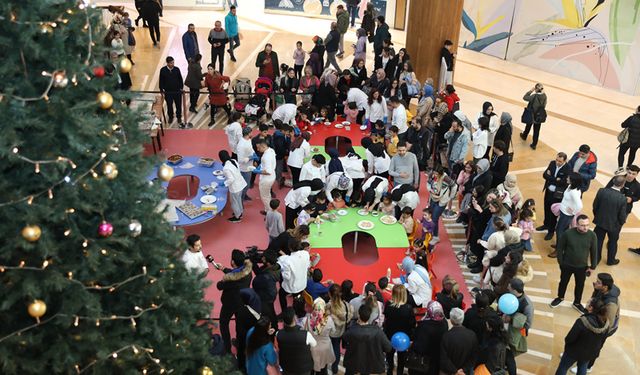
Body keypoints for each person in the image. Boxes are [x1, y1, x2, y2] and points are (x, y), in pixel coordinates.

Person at [550, 215, 598, 313]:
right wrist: (561, 262)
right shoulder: (568, 234)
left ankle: (577, 302)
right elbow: (560, 248)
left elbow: (594, 252)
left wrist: (593, 267)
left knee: (580, 285)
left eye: (587, 225)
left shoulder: (592, 235)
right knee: (563, 282)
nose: (585, 228)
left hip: (582, 267)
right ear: (576, 224)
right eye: (582, 225)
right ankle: (560, 297)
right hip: (567, 265)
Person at [554, 299, 609, 375]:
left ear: (591, 308)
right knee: (583, 367)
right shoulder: (606, 323)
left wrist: (568, 346)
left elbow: (570, 338)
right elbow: (602, 340)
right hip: (590, 353)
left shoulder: (582, 321)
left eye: (588, 302)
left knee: (563, 367)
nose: (586, 303)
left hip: (573, 352)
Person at [216, 249, 253, 353]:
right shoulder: (247, 271)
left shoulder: (231, 281)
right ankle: (240, 342)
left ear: (233, 262)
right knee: (239, 323)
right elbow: (236, 273)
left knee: (223, 323)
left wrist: (224, 279)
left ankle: (227, 348)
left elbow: (219, 286)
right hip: (242, 301)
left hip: (230, 303)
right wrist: (223, 268)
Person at [581, 273, 620, 373]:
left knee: (595, 347)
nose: (595, 283)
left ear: (605, 286)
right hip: (596, 319)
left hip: (604, 329)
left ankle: (588, 366)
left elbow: (607, 324)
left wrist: (592, 314)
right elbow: (594, 298)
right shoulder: (601, 289)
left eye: (598, 282)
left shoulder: (611, 304)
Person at [342, 304, 393, 375]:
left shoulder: (351, 330)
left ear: (359, 315)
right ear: (369, 316)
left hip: (353, 362)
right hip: (368, 363)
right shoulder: (378, 332)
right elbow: (388, 348)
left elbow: (344, 344)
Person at [592, 175, 627, 266]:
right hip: (614, 225)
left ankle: (596, 259)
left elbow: (595, 206)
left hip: (600, 221)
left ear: (613, 181)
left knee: (598, 241)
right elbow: (622, 215)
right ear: (623, 185)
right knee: (613, 242)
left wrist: (598, 216)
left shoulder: (602, 191)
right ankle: (611, 260)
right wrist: (621, 223)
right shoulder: (622, 198)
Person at [382, 285, 415, 375]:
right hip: (403, 337)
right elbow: (412, 324)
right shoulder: (408, 308)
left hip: (390, 335)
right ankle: (399, 372)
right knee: (401, 357)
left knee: (389, 355)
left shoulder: (388, 305)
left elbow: (386, 318)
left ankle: (390, 370)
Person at [409, 300, 448, 375]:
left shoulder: (424, 326)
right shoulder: (444, 323)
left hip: (424, 361)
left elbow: (419, 346)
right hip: (437, 358)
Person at [550, 173, 584, 257]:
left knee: (559, 231)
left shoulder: (574, 192)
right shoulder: (570, 187)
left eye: (569, 178)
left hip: (567, 215)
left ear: (573, 181)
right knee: (563, 230)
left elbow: (580, 205)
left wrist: (573, 212)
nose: (567, 179)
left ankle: (559, 249)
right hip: (564, 212)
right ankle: (561, 245)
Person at [504, 278, 533, 375]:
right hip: (506, 328)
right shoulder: (510, 296)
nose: (507, 288)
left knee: (510, 354)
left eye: (509, 287)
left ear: (515, 290)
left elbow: (528, 324)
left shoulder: (527, 305)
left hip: (515, 333)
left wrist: (512, 320)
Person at [539, 152, 570, 240]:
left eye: (560, 161)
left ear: (564, 161)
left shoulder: (568, 168)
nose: (557, 162)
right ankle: (546, 224)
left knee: (553, 213)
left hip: (557, 194)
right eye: (557, 160)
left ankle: (551, 231)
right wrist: (556, 179)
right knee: (546, 207)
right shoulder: (552, 163)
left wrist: (551, 177)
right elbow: (545, 175)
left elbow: (563, 182)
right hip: (548, 191)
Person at [276, 307, 317, 375]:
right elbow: (314, 344)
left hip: (287, 367)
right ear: (294, 318)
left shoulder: (279, 334)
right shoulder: (306, 334)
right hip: (303, 368)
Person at [302, 298, 336, 375]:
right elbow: (333, 332)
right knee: (323, 369)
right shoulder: (329, 320)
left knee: (311, 367)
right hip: (325, 348)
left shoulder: (307, 319)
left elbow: (304, 332)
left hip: (312, 348)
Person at [440, 308, 478, 375]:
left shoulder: (446, 336)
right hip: (465, 372)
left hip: (450, 372)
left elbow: (444, 358)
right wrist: (463, 369)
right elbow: (474, 356)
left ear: (451, 320)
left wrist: (455, 371)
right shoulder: (472, 335)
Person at [426, 165, 457, 245]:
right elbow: (428, 183)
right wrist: (430, 190)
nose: (435, 175)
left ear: (441, 173)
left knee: (435, 218)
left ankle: (436, 237)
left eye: (437, 174)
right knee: (430, 214)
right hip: (433, 197)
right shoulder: (431, 175)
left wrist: (451, 197)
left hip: (442, 200)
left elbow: (454, 186)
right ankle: (431, 230)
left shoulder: (445, 178)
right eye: (434, 173)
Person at [326, 284, 352, 373]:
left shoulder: (329, 306)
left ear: (330, 294)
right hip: (343, 330)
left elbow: (325, 318)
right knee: (338, 347)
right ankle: (335, 366)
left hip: (334, 333)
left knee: (335, 348)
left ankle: (334, 367)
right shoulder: (346, 305)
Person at [252, 249, 281, 329]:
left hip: (266, 297)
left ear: (268, 263)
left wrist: (253, 262)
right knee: (271, 311)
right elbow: (259, 272)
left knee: (268, 313)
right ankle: (275, 327)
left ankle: (272, 329)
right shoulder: (274, 267)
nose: (262, 259)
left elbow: (256, 283)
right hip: (270, 293)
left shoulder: (266, 276)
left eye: (264, 258)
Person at [235, 289, 262, 373]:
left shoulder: (241, 312)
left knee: (242, 355)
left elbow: (239, 330)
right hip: (257, 336)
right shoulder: (258, 301)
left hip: (246, 337)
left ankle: (242, 368)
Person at [278, 245, 311, 311]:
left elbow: (287, 277)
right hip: (302, 284)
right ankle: (297, 311)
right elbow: (307, 265)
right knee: (297, 298)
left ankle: (284, 311)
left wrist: (282, 271)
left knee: (281, 294)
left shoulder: (287, 260)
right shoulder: (305, 254)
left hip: (291, 286)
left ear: (290, 248)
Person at [220, 150, 246, 222]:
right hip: (241, 184)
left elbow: (231, 179)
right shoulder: (233, 160)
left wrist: (224, 183)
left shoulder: (226, 168)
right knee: (238, 200)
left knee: (234, 202)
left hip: (235, 188)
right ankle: (240, 213)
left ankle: (237, 217)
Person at [520, 83, 547, 150]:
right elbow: (544, 105)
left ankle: (524, 136)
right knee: (536, 130)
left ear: (536, 89)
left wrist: (530, 91)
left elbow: (525, 97)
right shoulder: (545, 96)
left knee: (528, 126)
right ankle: (534, 144)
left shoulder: (534, 96)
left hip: (532, 114)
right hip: (539, 115)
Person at [158, 56, 184, 126]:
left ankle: (179, 117)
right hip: (168, 92)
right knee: (169, 105)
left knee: (178, 105)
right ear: (167, 63)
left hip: (177, 91)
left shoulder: (176, 69)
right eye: (171, 63)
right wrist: (161, 89)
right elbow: (161, 80)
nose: (173, 64)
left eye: (173, 62)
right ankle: (171, 117)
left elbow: (180, 79)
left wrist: (181, 87)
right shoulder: (163, 70)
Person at [256, 138, 276, 215]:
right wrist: (261, 165)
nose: (258, 149)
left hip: (266, 179)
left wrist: (257, 171)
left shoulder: (266, 157)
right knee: (267, 195)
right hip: (272, 176)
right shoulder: (271, 150)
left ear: (264, 146)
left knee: (265, 196)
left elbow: (268, 171)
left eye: (259, 147)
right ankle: (268, 209)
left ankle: (269, 212)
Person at [618, 105, 640, 170]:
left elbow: (623, 125)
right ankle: (628, 166)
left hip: (627, 140)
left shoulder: (632, 118)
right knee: (632, 153)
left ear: (638, 110)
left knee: (621, 153)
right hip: (637, 142)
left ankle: (620, 167)